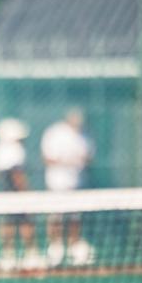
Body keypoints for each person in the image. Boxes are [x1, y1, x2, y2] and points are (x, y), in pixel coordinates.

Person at [0, 118, 44, 271]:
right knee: (26, 222)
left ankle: (8, 255)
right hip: (16, 193)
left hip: (4, 192)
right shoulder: (15, 149)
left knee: (8, 222)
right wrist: (26, 192)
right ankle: (30, 255)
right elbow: (17, 174)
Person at [40, 108, 95, 266]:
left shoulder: (85, 136)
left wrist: (80, 162)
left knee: (75, 217)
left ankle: (74, 248)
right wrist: (67, 162)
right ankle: (55, 249)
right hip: (56, 184)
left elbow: (88, 158)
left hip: (77, 184)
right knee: (55, 217)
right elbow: (48, 158)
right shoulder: (54, 133)